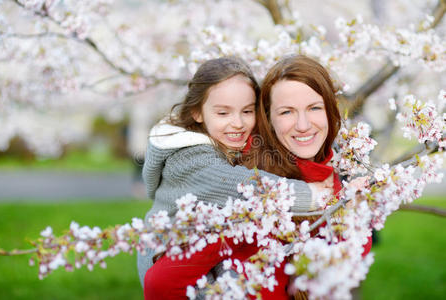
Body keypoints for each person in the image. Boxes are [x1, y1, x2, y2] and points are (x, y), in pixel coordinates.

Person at [137, 57, 333, 299]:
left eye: (248, 111)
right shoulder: (190, 158)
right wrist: (312, 196)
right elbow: (241, 186)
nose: (238, 123)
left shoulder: (230, 148)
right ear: (197, 112)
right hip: (168, 257)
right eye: (223, 112)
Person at [244, 54, 372, 299]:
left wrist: (354, 217)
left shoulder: (330, 177)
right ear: (268, 120)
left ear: (330, 112)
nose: (303, 125)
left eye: (314, 108)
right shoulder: (256, 186)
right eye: (287, 112)